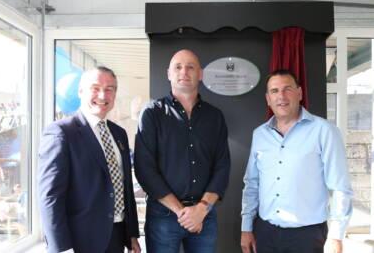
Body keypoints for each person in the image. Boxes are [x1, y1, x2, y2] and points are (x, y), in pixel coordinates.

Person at [241, 69, 353, 253]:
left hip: (308, 237)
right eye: (274, 91)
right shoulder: (259, 134)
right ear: (268, 98)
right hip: (265, 233)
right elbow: (252, 184)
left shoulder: (324, 131)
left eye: (287, 89)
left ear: (299, 93)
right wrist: (246, 228)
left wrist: (336, 236)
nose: (281, 96)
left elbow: (340, 187)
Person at [134, 49, 231, 253]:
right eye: (178, 67)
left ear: (200, 74)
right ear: (168, 73)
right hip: (163, 216)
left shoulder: (215, 117)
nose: (184, 72)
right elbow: (145, 169)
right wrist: (182, 212)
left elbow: (222, 167)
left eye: (190, 67)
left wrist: (201, 209)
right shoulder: (152, 113)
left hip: (204, 214)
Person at [38, 66, 141, 253]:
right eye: (95, 88)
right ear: (80, 91)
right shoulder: (61, 133)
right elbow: (50, 197)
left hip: (116, 236)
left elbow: (125, 188)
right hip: (79, 241)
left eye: (109, 89)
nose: (102, 95)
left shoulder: (119, 134)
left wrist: (131, 233)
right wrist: (61, 248)